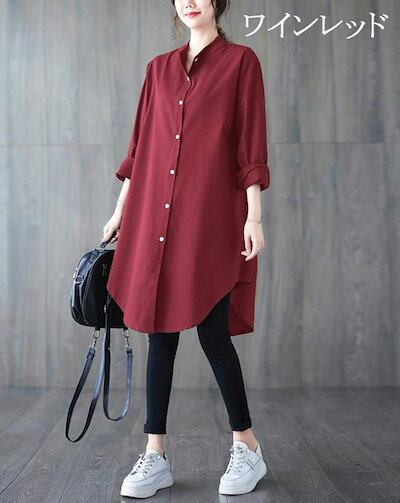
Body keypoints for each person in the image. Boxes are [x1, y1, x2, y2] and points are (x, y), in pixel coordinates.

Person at [103, 0, 270, 498]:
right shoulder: (158, 70)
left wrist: (253, 217)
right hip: (154, 218)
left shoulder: (241, 63)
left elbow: (249, 146)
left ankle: (247, 447)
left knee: (214, 335)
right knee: (160, 336)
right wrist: (120, 211)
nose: (189, 1)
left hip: (209, 221)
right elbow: (140, 148)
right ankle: (155, 456)